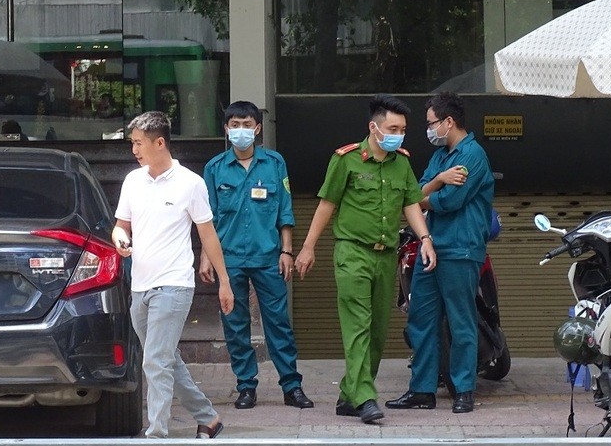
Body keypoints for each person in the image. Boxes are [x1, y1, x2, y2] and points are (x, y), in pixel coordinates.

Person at [295, 94, 435, 424]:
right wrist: (308, 247)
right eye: (392, 127)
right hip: (352, 253)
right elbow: (326, 204)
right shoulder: (346, 160)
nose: (399, 134)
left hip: (386, 256)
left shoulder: (401, 162)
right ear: (374, 127)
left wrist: (425, 239)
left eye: (402, 129)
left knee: (377, 331)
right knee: (357, 325)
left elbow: (411, 204)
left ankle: (349, 393)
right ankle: (365, 398)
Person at [111, 111, 234, 439]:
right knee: (164, 357)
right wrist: (120, 239)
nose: (134, 150)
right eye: (132, 144)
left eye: (138, 143)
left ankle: (157, 433)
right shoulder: (132, 181)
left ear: (159, 142)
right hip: (141, 285)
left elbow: (207, 234)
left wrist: (224, 281)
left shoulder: (190, 184)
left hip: (174, 285)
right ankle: (208, 418)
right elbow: (121, 226)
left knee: (154, 360)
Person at [386, 91, 495, 414]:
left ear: (449, 122)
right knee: (421, 319)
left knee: (461, 322)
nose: (429, 129)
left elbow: (448, 202)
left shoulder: (473, 155)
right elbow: (414, 193)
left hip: (460, 249)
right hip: (430, 247)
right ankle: (422, 390)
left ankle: (463, 389)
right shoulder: (441, 157)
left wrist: (427, 192)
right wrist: (437, 182)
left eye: (432, 123)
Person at [201, 101, 313, 411]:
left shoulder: (275, 163)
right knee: (235, 325)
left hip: (268, 256)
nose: (241, 131)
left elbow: (284, 210)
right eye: (235, 125)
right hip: (229, 258)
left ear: (257, 128)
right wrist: (205, 256)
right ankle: (246, 387)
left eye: (246, 124)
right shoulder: (214, 168)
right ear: (226, 129)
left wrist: (287, 250)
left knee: (278, 323)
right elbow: (205, 217)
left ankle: (292, 386)